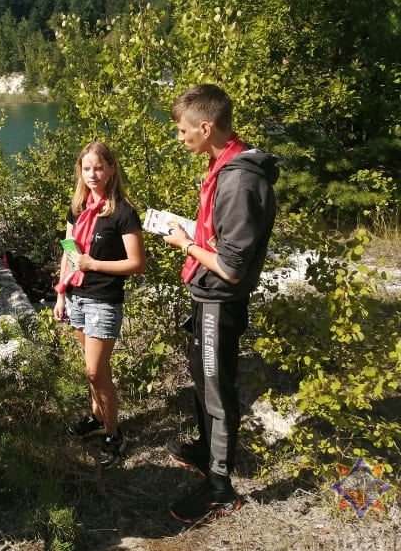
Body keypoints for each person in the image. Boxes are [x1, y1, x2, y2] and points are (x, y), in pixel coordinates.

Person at [162, 84, 279, 524]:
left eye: (183, 130)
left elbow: (230, 267)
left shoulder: (239, 179)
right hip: (206, 296)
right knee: (203, 381)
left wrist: (185, 245)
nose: (180, 138)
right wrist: (192, 233)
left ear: (206, 128)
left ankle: (220, 489)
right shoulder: (224, 166)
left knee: (216, 391)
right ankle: (206, 451)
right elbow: (224, 237)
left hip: (220, 298)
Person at [53, 141, 146, 469]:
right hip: (76, 297)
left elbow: (137, 263)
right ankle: (98, 417)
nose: (92, 174)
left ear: (111, 169)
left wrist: (93, 264)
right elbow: (68, 252)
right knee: (95, 370)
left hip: (103, 300)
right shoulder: (78, 207)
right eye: (86, 168)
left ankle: (113, 434)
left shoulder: (122, 212)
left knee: (95, 371)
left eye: (98, 168)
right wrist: (60, 294)